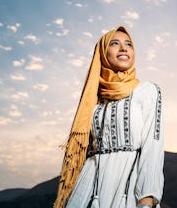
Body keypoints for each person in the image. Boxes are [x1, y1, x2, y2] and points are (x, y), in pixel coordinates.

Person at [54, 26, 164, 208]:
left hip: (127, 187)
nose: (123, 48)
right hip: (89, 186)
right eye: (115, 43)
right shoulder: (93, 99)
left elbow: (153, 146)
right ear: (103, 54)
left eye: (129, 44)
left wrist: (147, 196)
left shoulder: (147, 91)